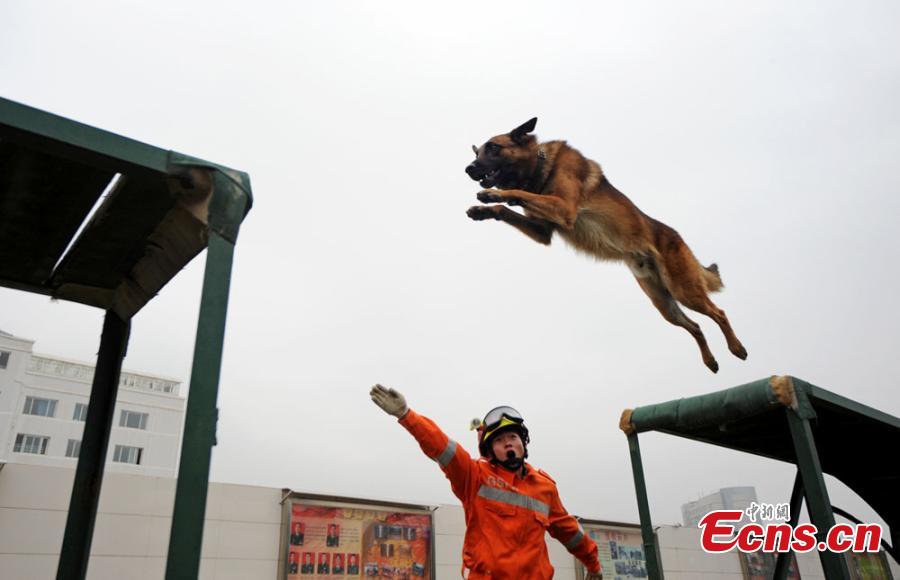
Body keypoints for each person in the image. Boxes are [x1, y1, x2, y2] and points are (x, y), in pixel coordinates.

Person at [370, 384, 602, 580]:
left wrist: (594, 566)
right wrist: (406, 415)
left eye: (513, 437)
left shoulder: (544, 487)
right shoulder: (474, 477)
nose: (508, 443)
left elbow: (570, 532)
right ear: (489, 451)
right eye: (500, 440)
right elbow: (441, 446)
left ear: (524, 442)